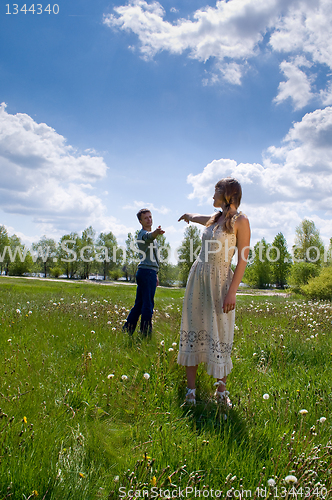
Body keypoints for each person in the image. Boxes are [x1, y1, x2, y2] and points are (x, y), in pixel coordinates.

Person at [177, 178, 250, 406]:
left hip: (220, 282)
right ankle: (191, 393)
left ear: (227, 194)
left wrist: (232, 292)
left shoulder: (241, 220)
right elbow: (202, 219)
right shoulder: (215, 218)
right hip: (198, 277)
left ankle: (221, 393)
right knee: (193, 327)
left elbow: (243, 260)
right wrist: (189, 216)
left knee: (220, 331)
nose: (212, 196)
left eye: (215, 192)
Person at [123, 208, 165, 337]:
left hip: (148, 272)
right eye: (146, 218)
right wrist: (156, 233)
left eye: (150, 217)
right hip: (146, 272)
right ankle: (145, 333)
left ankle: (127, 329)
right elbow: (149, 236)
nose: (149, 219)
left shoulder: (151, 237)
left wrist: (155, 274)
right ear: (140, 221)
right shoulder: (143, 234)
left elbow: (152, 257)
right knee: (148, 304)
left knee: (140, 304)